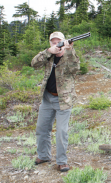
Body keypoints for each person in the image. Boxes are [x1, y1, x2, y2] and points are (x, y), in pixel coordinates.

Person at [31, 31, 80, 172]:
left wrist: (70, 50)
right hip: (47, 99)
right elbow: (34, 63)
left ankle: (62, 161)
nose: (56, 44)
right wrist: (48, 52)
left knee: (61, 132)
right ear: (50, 43)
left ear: (64, 42)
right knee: (41, 129)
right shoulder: (48, 56)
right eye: (53, 42)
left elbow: (75, 68)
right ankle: (44, 156)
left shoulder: (69, 56)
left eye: (58, 41)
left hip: (63, 101)